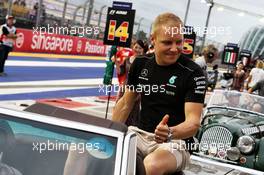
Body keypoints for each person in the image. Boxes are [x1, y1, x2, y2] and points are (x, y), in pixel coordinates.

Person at [112, 13, 206, 174]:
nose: (175, 48)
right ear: (153, 40)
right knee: (85, 149)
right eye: (167, 42)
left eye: (179, 42)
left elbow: (193, 123)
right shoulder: (140, 63)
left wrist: (170, 132)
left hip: (176, 143)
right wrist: (109, 132)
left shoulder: (194, 72)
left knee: (151, 166)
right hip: (139, 135)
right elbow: (126, 104)